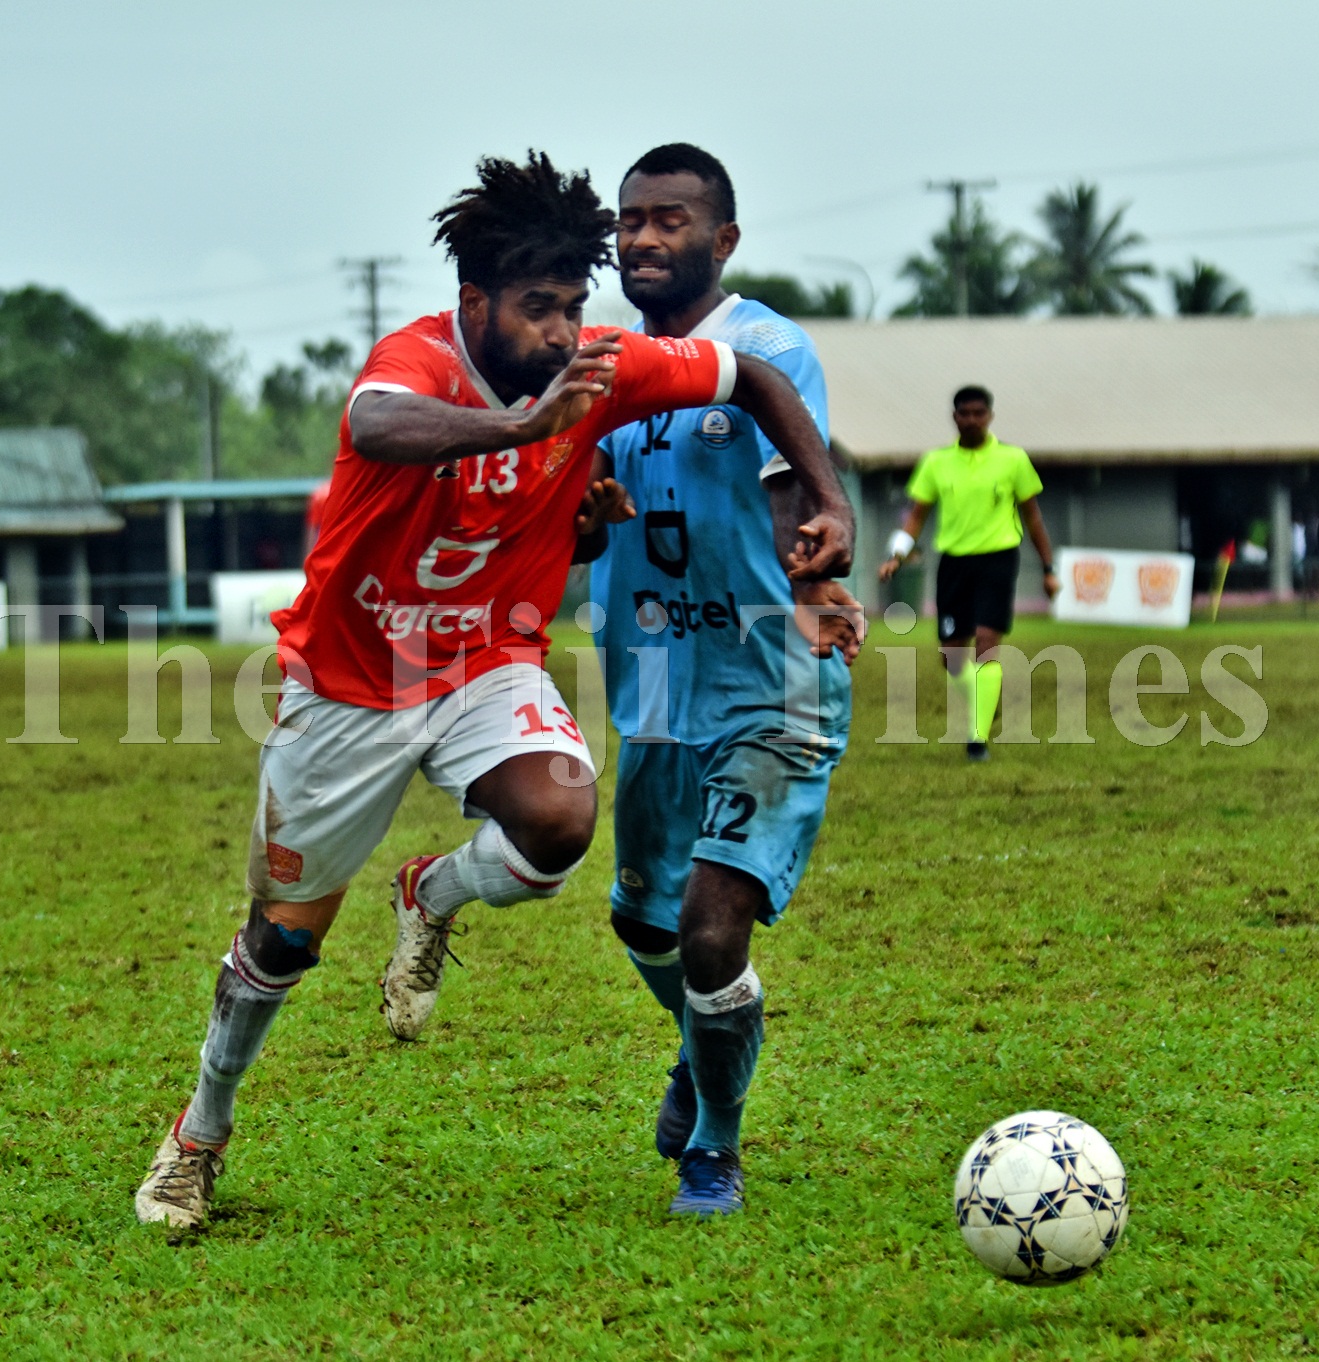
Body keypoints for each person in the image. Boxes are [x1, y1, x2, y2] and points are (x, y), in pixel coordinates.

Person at [132, 151, 854, 1231]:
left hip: (483, 666)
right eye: (534, 310)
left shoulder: (595, 368)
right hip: (349, 684)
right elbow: (376, 423)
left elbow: (750, 376)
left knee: (561, 818)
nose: (561, 335)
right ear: (472, 303)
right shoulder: (416, 364)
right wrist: (518, 429)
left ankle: (432, 892)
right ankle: (199, 1133)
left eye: (571, 306)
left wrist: (828, 507)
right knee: (283, 938)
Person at [587, 143, 863, 1217]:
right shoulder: (605, 365)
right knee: (641, 923)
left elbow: (796, 483)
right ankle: (703, 1050)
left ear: (723, 239)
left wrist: (816, 569)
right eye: (629, 221)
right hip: (654, 689)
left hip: (769, 682)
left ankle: (713, 1148)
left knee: (709, 927)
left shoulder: (762, 346)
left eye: (667, 219)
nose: (642, 240)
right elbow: (574, 522)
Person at [880, 386, 1058, 761]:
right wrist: (897, 554)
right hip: (954, 563)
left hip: (998, 559)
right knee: (951, 657)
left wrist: (1048, 567)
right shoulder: (936, 462)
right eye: (966, 413)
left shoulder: (1013, 460)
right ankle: (984, 699)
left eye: (980, 413)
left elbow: (1033, 516)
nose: (973, 420)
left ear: (990, 416)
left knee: (987, 641)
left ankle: (977, 739)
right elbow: (916, 515)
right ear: (955, 417)